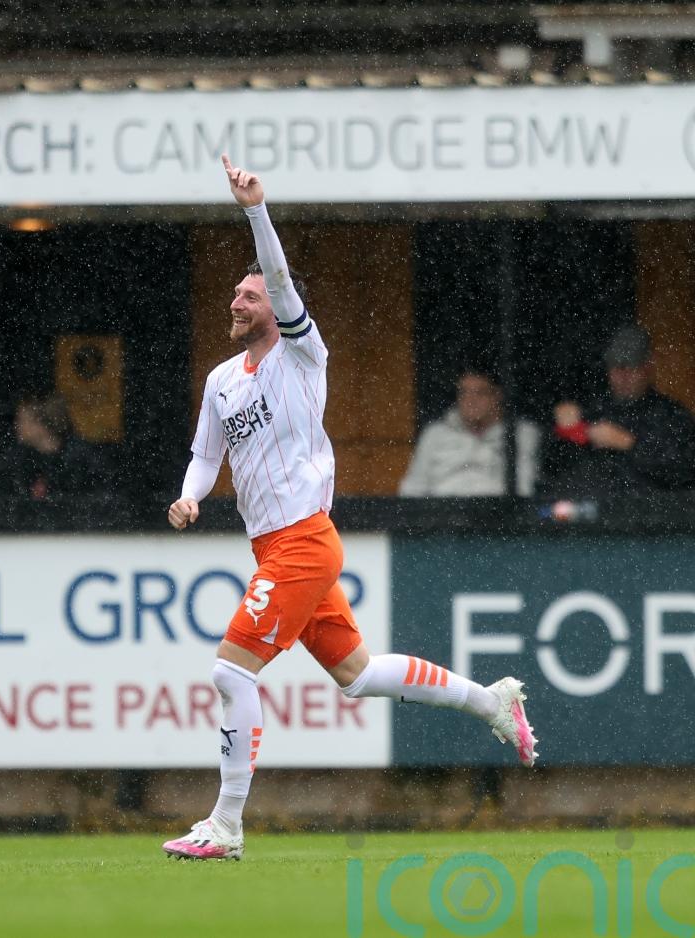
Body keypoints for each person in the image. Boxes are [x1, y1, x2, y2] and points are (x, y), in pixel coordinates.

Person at [162, 156, 537, 862]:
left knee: (230, 671)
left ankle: (227, 824)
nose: (236, 303)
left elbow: (277, 277)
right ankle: (489, 701)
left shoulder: (303, 356)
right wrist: (189, 494)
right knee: (357, 675)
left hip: (304, 538)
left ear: (274, 306)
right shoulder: (220, 381)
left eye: (247, 296)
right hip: (275, 548)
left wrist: (255, 209)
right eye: (235, 294)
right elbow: (207, 455)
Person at [541, 324, 695, 496]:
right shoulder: (593, 410)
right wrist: (563, 430)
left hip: (653, 518)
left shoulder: (672, 415)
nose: (623, 376)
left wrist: (629, 444)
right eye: (616, 367)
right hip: (597, 518)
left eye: (631, 367)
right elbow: (550, 468)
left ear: (648, 367)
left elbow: (684, 471)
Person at [399, 369, 539, 497]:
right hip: (442, 516)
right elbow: (412, 488)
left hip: (497, 515)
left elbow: (524, 487)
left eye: (480, 392)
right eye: (464, 392)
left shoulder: (521, 433)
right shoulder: (435, 434)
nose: (470, 400)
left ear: (498, 396)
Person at [0, 393, 102, 498]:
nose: (16, 426)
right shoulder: (18, 460)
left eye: (23, 420)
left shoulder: (80, 461)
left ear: (41, 424)